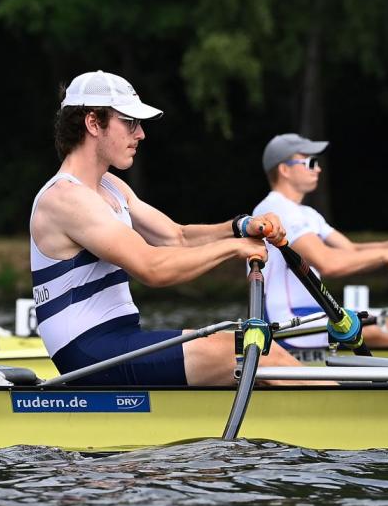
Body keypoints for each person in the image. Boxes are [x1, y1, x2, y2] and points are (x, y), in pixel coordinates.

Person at [28, 70, 310, 385]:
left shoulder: (111, 186)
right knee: (260, 354)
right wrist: (235, 248)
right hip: (90, 355)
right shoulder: (65, 198)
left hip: (120, 343)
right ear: (93, 123)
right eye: (130, 122)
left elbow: (177, 236)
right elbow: (153, 268)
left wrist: (242, 226)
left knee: (253, 352)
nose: (141, 134)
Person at [252, 133, 388, 351]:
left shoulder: (306, 213)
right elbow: (328, 263)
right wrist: (383, 255)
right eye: (310, 163)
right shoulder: (277, 210)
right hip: (288, 324)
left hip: (313, 315)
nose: (318, 169)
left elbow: (351, 249)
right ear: (285, 170)